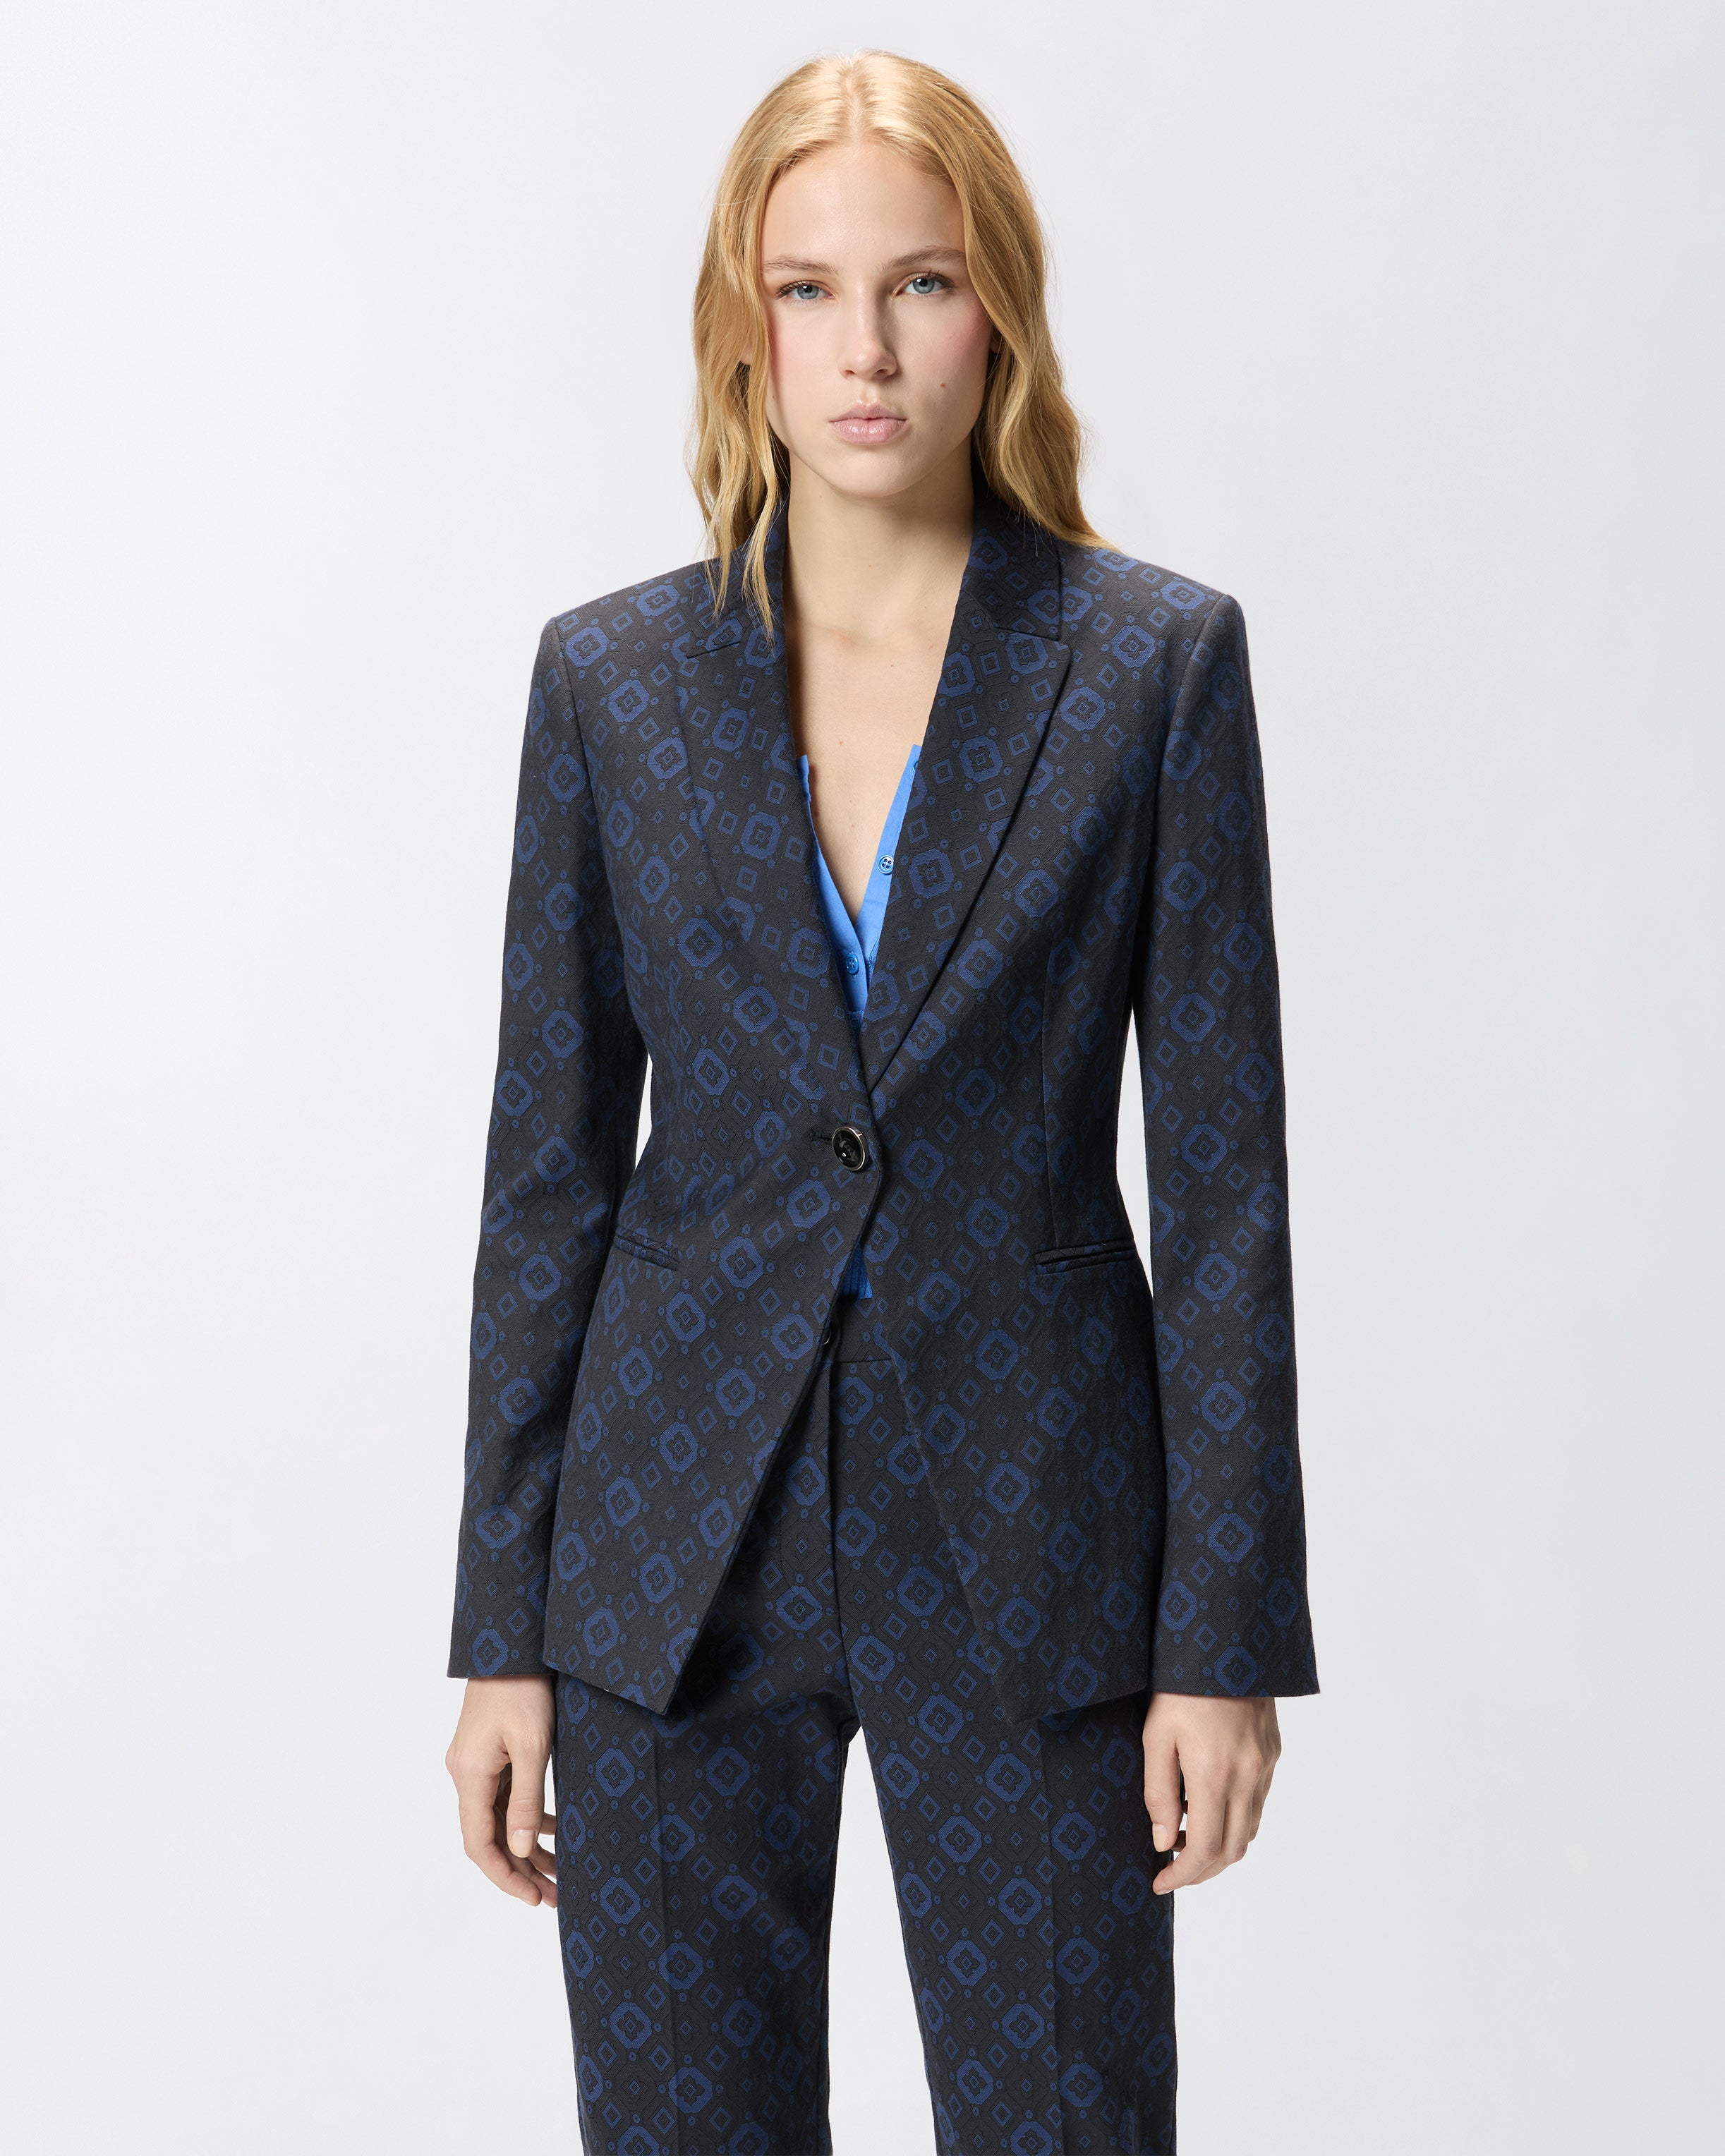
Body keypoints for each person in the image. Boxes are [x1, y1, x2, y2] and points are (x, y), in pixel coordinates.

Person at [444, 47, 1317, 2156]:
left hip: (1037, 1539)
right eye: (810, 288)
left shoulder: (1150, 671)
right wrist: (504, 1633)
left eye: (919, 284)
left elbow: (1222, 1188)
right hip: (672, 1553)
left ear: (995, 307)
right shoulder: (610, 686)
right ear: (742, 321)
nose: (865, 348)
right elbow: (549, 1178)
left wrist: (1222, 1639)